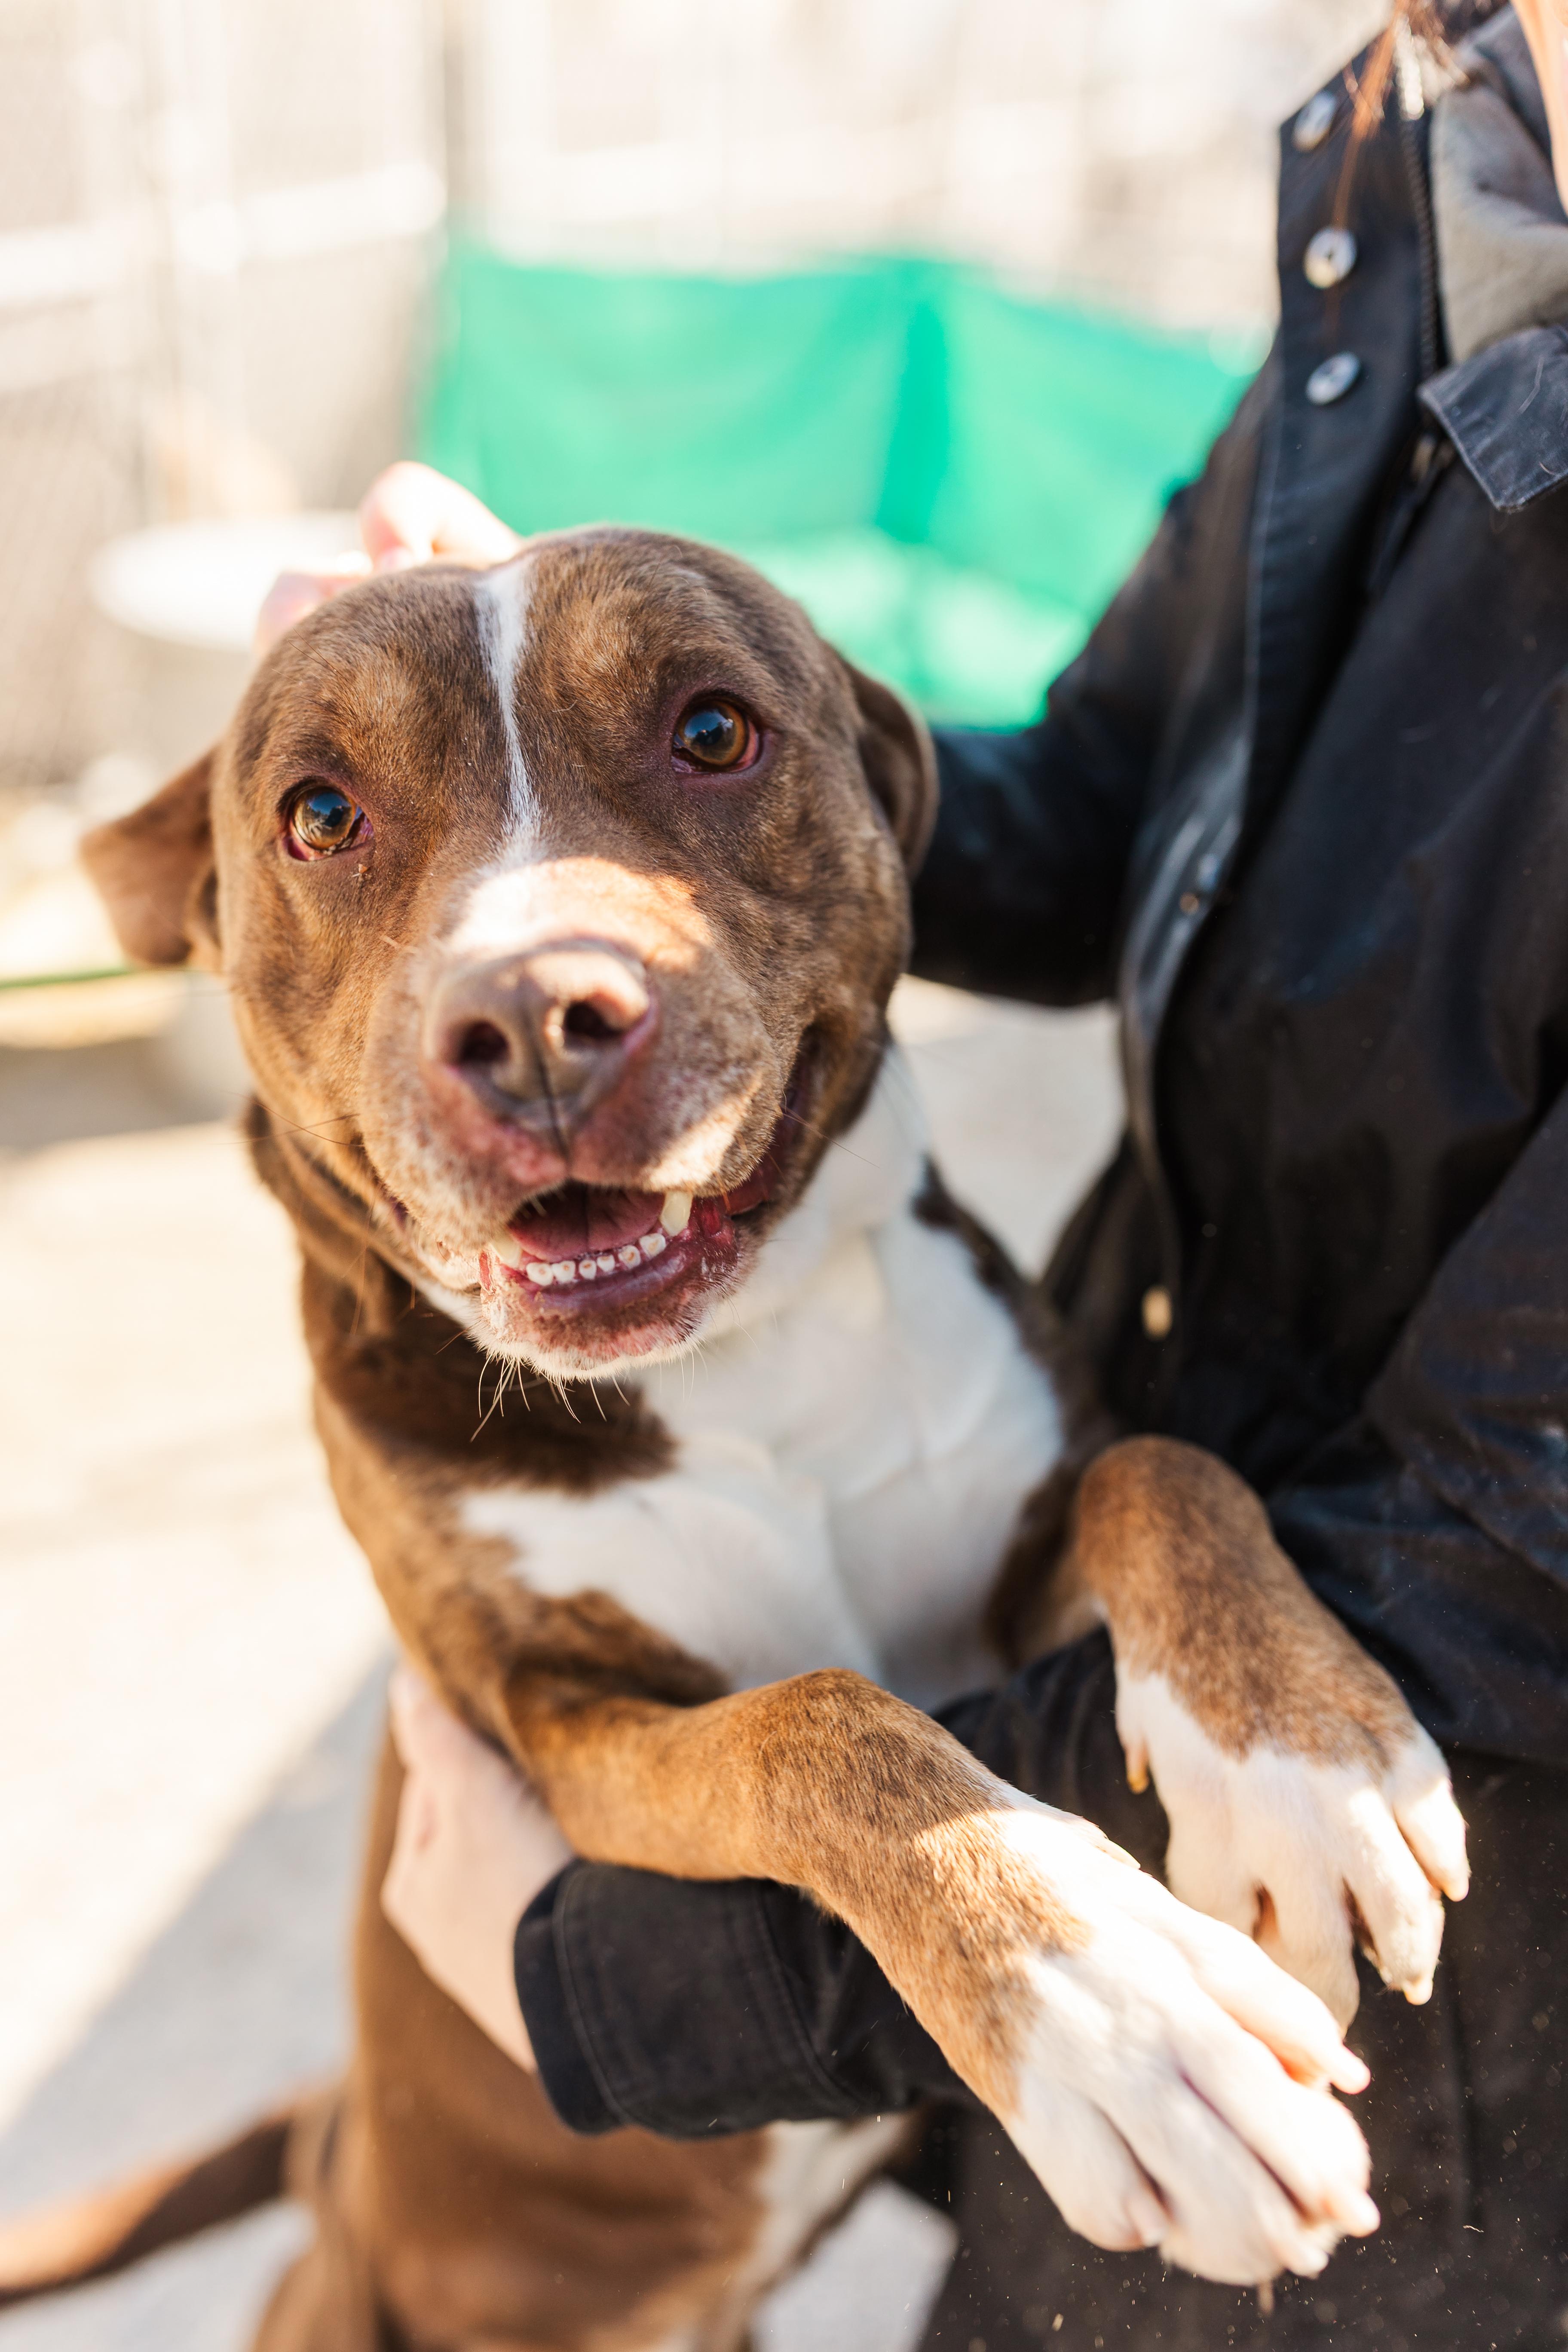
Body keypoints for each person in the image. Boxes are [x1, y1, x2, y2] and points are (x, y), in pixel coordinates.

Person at [301, 0, 1568, 2340]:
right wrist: (601, 780)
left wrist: (593, 1972)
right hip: (1096, 2100)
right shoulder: (1438, 189)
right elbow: (1082, 796)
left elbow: (1503, 1579)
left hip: (1446, 2123)